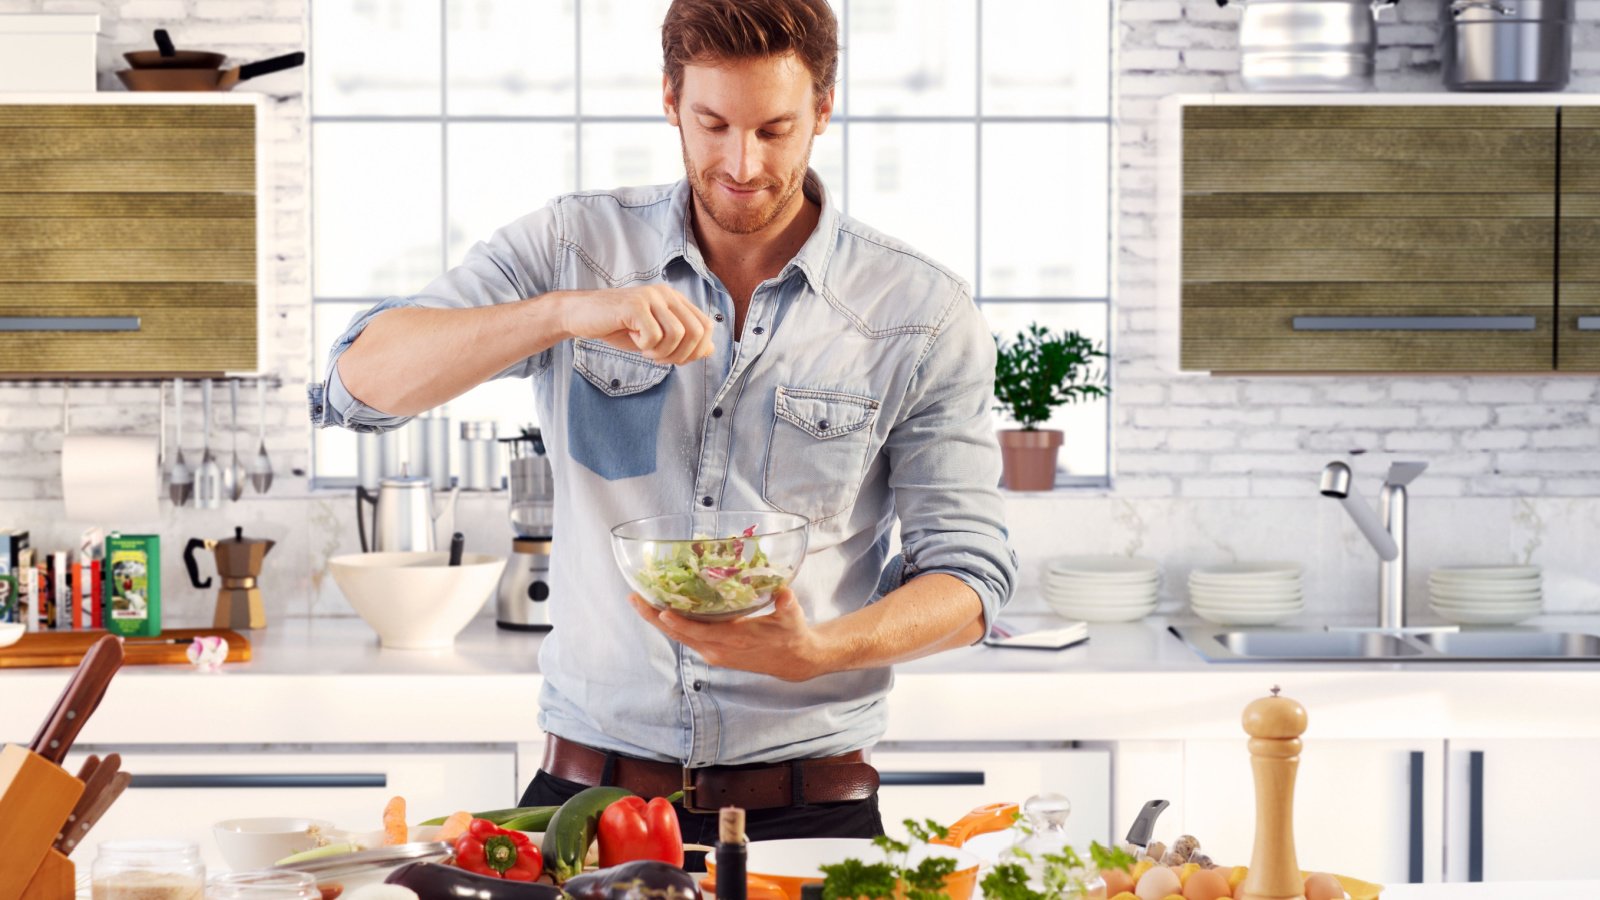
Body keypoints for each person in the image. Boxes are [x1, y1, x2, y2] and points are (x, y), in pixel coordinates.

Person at [310, 0, 1016, 844]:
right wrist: (565, 314)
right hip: (584, 801)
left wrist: (816, 652)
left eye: (775, 129)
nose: (742, 163)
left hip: (813, 804)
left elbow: (971, 580)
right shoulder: (576, 247)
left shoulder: (919, 313)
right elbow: (359, 383)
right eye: (712, 123)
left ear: (824, 109)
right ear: (671, 99)